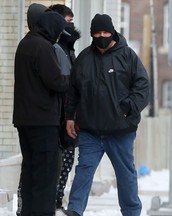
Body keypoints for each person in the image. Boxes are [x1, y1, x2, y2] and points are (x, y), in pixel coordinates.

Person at [59, 14, 150, 216]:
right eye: (97, 33)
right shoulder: (84, 58)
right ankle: (75, 209)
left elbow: (143, 87)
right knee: (84, 170)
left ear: (113, 32)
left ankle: (131, 211)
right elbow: (73, 92)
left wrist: (128, 107)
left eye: (105, 32)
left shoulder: (128, 56)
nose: (102, 36)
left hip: (121, 130)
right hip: (90, 130)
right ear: (92, 34)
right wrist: (70, 118)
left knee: (125, 174)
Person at [13, 10, 70, 216]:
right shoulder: (43, 47)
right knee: (46, 175)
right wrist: (71, 80)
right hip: (43, 120)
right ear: (52, 28)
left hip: (24, 120)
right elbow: (55, 81)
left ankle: (28, 212)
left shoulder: (25, 44)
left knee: (30, 171)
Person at [49, 4, 81, 211]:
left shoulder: (69, 49)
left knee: (66, 164)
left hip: (67, 116)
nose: (72, 26)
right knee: (54, 165)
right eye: (67, 23)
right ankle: (49, 203)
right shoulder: (54, 49)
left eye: (72, 22)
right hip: (56, 118)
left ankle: (56, 201)